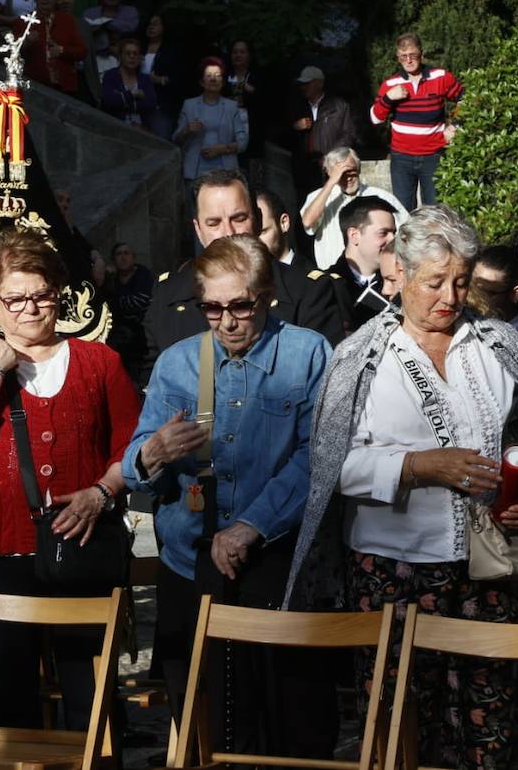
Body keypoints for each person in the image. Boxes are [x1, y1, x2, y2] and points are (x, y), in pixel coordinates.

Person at [285, 204, 518, 770]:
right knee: (398, 723)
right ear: (400, 272)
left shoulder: (497, 345)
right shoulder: (362, 356)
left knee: (487, 721)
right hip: (393, 568)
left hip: (489, 568)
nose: (449, 296)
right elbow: (330, 468)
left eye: (461, 281)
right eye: (434, 281)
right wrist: (420, 467)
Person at [124, 235, 335, 758]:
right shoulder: (178, 363)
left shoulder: (308, 353)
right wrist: (152, 454)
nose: (227, 320)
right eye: (212, 308)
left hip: (277, 560)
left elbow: (319, 458)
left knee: (291, 730)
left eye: (240, 305)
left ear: (266, 296)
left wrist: (251, 526)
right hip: (190, 562)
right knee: (208, 727)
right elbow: (136, 465)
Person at [0, 230, 140, 731]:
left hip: (83, 546)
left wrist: (102, 493)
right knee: (11, 700)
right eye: (15, 298)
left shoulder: (99, 362)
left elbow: (131, 449)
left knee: (91, 698)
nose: (30, 308)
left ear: (59, 294)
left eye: (41, 295)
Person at [147, 171, 343, 380]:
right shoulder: (167, 293)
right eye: (214, 223)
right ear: (198, 229)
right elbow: (150, 380)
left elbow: (327, 387)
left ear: (258, 220)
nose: (228, 232)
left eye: (239, 219)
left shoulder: (308, 290)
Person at [370, 33, 463, 211]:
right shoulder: (391, 84)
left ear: (422, 54)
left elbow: (467, 99)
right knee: (403, 212)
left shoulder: (440, 77)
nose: (409, 60)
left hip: (434, 156)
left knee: (436, 213)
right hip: (401, 158)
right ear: (398, 58)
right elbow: (375, 118)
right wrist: (389, 98)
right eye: (403, 56)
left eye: (413, 55)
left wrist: (455, 124)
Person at [300, 148, 408, 270]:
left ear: (359, 169)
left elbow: (407, 230)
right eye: (342, 174)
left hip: (376, 270)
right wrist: (331, 182)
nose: (348, 178)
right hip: (333, 271)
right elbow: (307, 223)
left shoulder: (381, 196)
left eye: (351, 171)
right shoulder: (319, 197)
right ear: (330, 174)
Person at [326, 196, 400, 336]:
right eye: (383, 233)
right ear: (354, 235)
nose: (392, 240)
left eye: (393, 233)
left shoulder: (401, 281)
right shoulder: (326, 287)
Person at [175, 58, 248, 190]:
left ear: (223, 82)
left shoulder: (232, 107)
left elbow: (243, 142)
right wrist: (186, 129)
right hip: (195, 171)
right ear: (202, 82)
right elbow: (175, 139)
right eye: (209, 76)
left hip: (226, 171)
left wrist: (222, 149)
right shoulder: (189, 105)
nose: (213, 79)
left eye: (217, 76)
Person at [290, 65, 357, 201]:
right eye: (302, 84)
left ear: (319, 83)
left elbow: (348, 135)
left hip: (331, 168)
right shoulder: (296, 106)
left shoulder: (339, 106)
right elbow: (281, 137)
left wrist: (330, 157)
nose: (304, 87)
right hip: (304, 170)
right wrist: (294, 127)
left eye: (307, 83)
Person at [17, 0, 87, 96]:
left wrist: (62, 50)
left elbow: (82, 51)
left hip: (65, 88)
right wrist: (26, 42)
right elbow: (11, 54)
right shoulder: (23, 22)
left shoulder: (68, 20)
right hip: (34, 87)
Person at [103, 241, 153, 381]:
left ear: (133, 257)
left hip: (142, 331)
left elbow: (140, 302)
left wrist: (116, 301)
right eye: (119, 254)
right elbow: (106, 304)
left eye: (126, 253)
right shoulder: (113, 279)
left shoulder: (143, 275)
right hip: (119, 334)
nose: (123, 257)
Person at [99, 37, 156, 129]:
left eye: (135, 53)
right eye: (128, 53)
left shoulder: (145, 79)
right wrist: (132, 94)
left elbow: (151, 104)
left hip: (141, 129)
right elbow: (108, 102)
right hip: (114, 127)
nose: (132, 56)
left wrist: (121, 100)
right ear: (121, 56)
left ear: (139, 58)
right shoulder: (110, 76)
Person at [142, 13, 183, 141]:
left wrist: (160, 80)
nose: (151, 27)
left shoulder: (171, 51)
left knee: (160, 141)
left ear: (164, 27)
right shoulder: (139, 49)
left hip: (161, 105)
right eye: (149, 24)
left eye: (155, 24)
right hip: (139, 103)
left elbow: (179, 78)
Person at [224, 39, 266, 163]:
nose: (238, 55)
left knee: (252, 169)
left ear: (249, 55)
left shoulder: (257, 76)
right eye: (235, 52)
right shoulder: (224, 76)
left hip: (252, 128)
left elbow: (265, 101)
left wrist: (250, 89)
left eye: (242, 52)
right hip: (227, 126)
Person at [82, 0, 139, 64]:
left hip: (124, 63)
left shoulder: (130, 12)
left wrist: (102, 23)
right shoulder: (90, 13)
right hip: (95, 62)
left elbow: (130, 27)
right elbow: (83, 36)